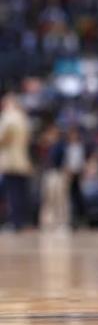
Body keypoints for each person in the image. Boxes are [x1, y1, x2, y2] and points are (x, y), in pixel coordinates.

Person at [0, 93, 33, 231]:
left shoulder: (8, 117)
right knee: (20, 192)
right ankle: (21, 221)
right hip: (22, 159)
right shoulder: (23, 117)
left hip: (11, 160)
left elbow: (2, 138)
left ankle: (15, 223)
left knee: (12, 194)